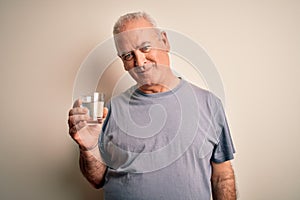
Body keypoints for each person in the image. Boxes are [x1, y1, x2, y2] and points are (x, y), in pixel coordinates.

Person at [68, 11, 236, 200]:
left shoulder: (209, 104)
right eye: (128, 55)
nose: (140, 62)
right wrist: (88, 148)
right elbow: (96, 180)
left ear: (164, 41)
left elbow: (222, 176)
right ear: (123, 62)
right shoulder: (109, 111)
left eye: (145, 47)